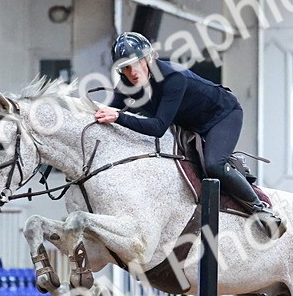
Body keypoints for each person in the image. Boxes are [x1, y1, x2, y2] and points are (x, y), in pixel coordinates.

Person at [93, 32, 282, 235]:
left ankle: (261, 209)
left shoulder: (172, 79)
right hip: (190, 123)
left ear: (147, 58)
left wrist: (118, 117)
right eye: (125, 68)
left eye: (135, 64)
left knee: (213, 164)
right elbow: (107, 114)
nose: (132, 72)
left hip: (222, 115)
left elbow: (157, 128)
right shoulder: (126, 86)